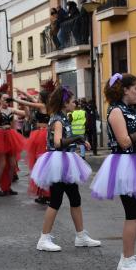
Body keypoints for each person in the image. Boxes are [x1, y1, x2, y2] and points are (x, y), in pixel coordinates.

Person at [90, 73, 136, 270]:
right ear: (125, 90)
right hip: (125, 164)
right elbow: (125, 142)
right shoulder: (116, 111)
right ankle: (128, 261)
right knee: (133, 213)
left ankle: (126, 258)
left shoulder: (131, 110)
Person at [32, 85, 98, 252]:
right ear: (64, 103)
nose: (75, 103)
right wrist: (78, 138)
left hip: (65, 161)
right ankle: (44, 238)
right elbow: (57, 143)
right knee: (56, 200)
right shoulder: (58, 120)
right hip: (58, 162)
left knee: (75, 198)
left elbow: (65, 141)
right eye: (72, 100)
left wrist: (78, 140)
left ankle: (81, 236)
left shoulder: (64, 118)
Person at [14, 82, 54, 204]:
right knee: (43, 164)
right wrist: (23, 92)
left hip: (41, 135)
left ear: (42, 98)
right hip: (43, 134)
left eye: (39, 97)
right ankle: (44, 193)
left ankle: (46, 194)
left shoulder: (42, 106)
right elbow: (31, 99)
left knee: (40, 164)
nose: (37, 98)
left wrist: (16, 99)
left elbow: (29, 102)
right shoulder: (48, 105)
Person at [0, 84, 26, 196]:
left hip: (10, 136)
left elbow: (24, 114)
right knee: (2, 163)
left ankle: (7, 187)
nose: (6, 101)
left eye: (7, 99)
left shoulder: (11, 109)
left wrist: (23, 102)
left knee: (13, 165)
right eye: (4, 99)